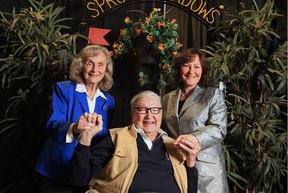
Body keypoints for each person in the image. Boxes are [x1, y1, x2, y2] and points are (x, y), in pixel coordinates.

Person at [70, 90, 200, 193]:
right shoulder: (115, 138)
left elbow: (190, 190)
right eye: (142, 110)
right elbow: (80, 179)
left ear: (161, 114)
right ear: (133, 114)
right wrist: (85, 138)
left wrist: (191, 160)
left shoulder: (174, 145)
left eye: (155, 110)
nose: (149, 116)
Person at [35, 44, 115, 193]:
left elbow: (103, 139)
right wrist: (75, 128)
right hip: (57, 169)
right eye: (90, 63)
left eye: (100, 64)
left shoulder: (108, 101)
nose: (94, 70)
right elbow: (52, 125)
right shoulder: (64, 89)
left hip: (86, 171)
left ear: (106, 69)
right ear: (81, 65)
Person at [162, 48, 228, 193]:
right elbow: (162, 129)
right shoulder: (167, 98)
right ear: (179, 69)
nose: (191, 71)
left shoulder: (213, 94)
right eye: (186, 65)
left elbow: (219, 128)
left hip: (207, 170)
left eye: (196, 66)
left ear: (202, 70)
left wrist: (192, 138)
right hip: (176, 165)